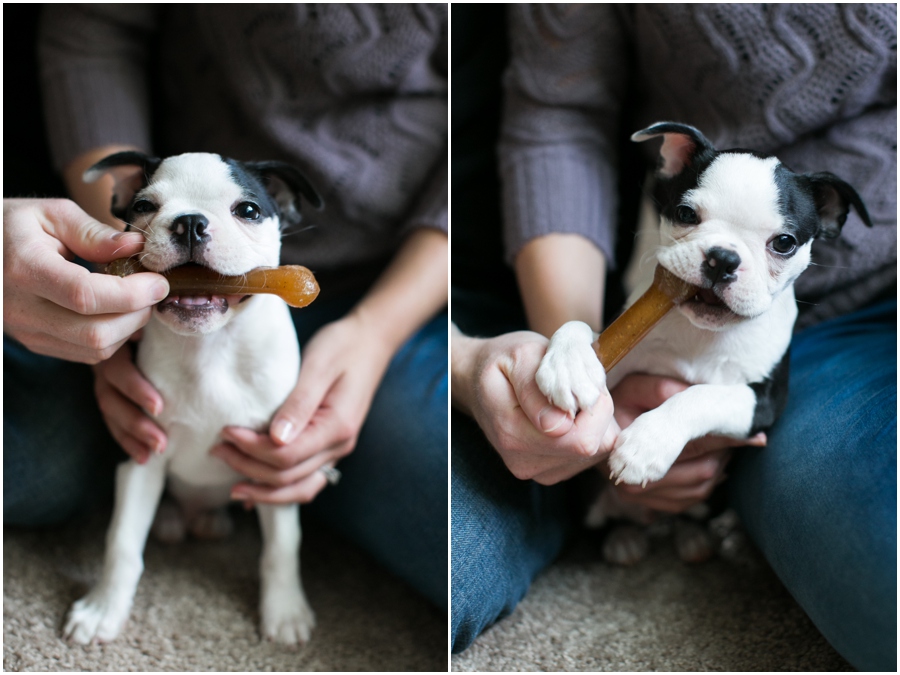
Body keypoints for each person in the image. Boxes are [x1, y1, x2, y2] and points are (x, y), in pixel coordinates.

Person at [450, 4, 896, 671]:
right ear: (671, 160)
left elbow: (758, 404)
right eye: (691, 217)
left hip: (870, 319)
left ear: (820, 228)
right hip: (588, 305)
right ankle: (610, 514)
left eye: (777, 244)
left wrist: (670, 424)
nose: (724, 261)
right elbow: (556, 118)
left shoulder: (769, 322)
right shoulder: (652, 283)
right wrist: (565, 343)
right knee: (461, 563)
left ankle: (699, 511)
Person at [5, 4, 448, 612]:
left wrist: (374, 334)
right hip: (155, 383)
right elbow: (90, 29)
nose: (191, 229)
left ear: (283, 214)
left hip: (397, 281)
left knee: (449, 541)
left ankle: (278, 565)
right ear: (124, 200)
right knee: (41, 467)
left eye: (242, 210)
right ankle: (141, 557)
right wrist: (98, 297)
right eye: (152, 207)